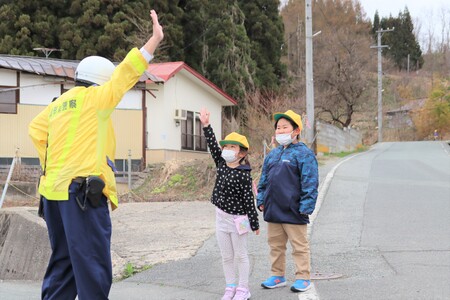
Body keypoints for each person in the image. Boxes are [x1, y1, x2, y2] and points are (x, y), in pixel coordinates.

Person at [28, 10, 163, 300]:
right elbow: (126, 73)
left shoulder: (58, 103)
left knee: (63, 263)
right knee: (92, 265)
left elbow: (36, 131)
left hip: (53, 195)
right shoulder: (98, 98)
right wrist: (153, 41)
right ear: (103, 79)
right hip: (82, 195)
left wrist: (52, 166)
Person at [199, 108, 259, 300]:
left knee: (240, 254)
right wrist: (206, 125)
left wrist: (255, 223)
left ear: (242, 153)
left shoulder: (244, 174)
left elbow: (249, 201)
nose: (226, 150)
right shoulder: (222, 163)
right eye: (226, 147)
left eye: (232, 147)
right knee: (226, 256)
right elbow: (212, 145)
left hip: (239, 219)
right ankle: (230, 287)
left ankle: (243, 288)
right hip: (221, 217)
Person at [257, 109, 318, 293]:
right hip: (273, 209)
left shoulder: (304, 154)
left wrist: (306, 206)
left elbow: (310, 181)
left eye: (285, 127)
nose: (281, 131)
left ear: (296, 131)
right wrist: (261, 200)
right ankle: (277, 275)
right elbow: (263, 180)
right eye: (278, 128)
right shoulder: (272, 155)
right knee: (275, 246)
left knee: (299, 246)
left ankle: (303, 277)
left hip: (294, 209)